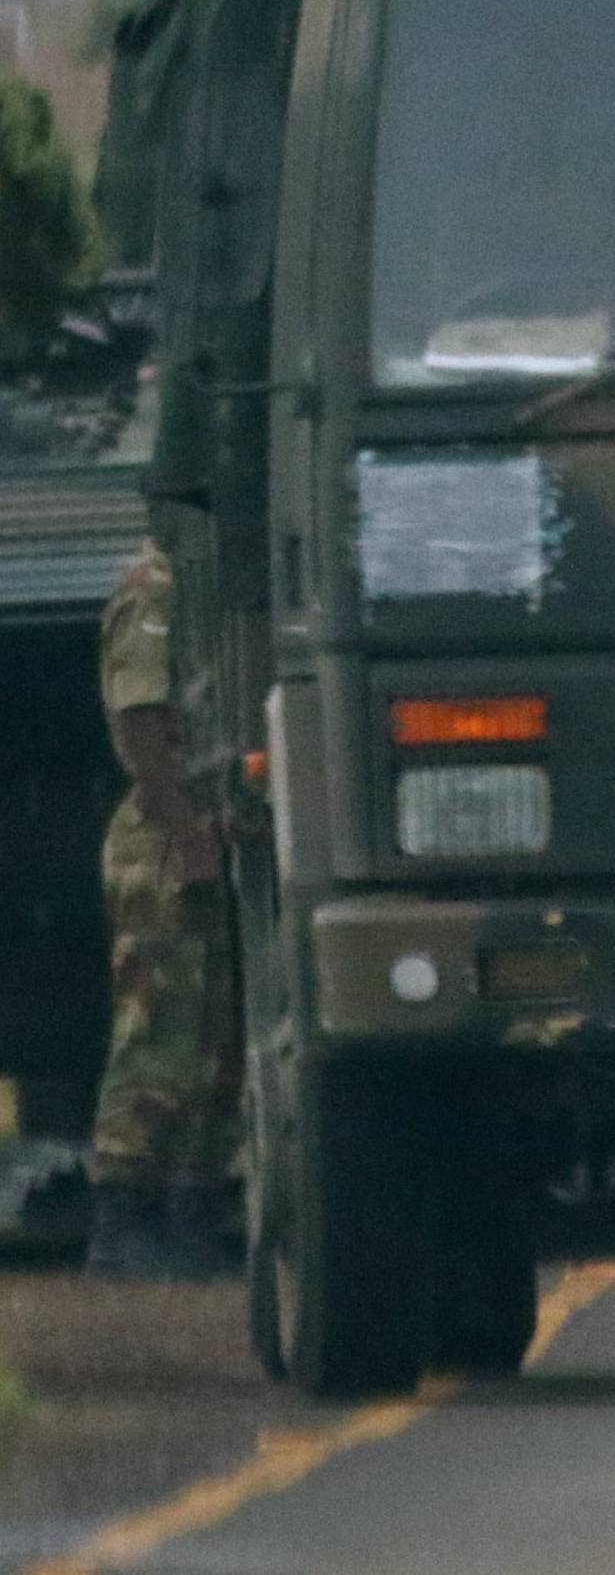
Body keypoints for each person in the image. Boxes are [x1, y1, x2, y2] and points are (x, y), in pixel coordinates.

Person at [85, 535, 242, 1279]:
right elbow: (140, 719)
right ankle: (122, 1218)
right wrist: (185, 831)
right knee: (155, 1032)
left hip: (207, 827)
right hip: (164, 837)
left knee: (213, 1039)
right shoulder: (156, 585)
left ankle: (189, 1212)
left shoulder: (210, 579)